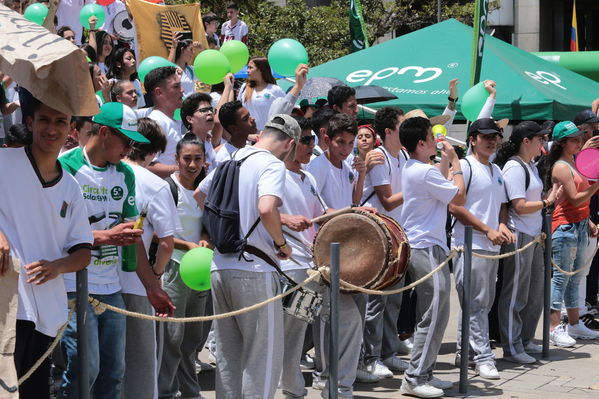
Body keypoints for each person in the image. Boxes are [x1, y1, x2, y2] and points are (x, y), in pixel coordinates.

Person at [57, 102, 173, 399]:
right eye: (126, 140)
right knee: (87, 369)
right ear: (105, 133)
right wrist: (103, 236)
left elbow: (131, 242)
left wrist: (152, 287)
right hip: (72, 287)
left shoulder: (126, 175)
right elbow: (53, 233)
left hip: (111, 290)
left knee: (114, 374)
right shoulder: (65, 167)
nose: (130, 148)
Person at [197, 114, 299, 398]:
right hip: (254, 268)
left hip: (220, 265)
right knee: (262, 357)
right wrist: (281, 243)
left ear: (264, 132)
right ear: (289, 143)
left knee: (229, 354)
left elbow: (198, 194)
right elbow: (267, 208)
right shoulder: (271, 164)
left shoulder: (232, 158)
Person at [0, 97, 93, 399]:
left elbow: (82, 252)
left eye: (60, 122)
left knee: (34, 391)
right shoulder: (4, 162)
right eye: (44, 120)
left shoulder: (71, 188)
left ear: (70, 129)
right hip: (7, 302)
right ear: (29, 123)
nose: (51, 129)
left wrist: (57, 267)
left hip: (46, 309)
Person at [399, 116, 465, 398]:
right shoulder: (422, 172)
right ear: (422, 142)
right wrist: (456, 161)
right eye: (431, 135)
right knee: (434, 312)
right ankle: (414, 377)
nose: (436, 140)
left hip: (429, 245)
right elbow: (458, 197)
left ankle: (424, 372)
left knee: (437, 312)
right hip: (424, 246)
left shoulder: (418, 168)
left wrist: (444, 161)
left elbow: (438, 181)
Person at [307, 113, 370, 396]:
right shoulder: (317, 167)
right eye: (340, 142)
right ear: (326, 139)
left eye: (349, 142)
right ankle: (324, 372)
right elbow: (319, 212)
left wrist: (362, 175)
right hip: (325, 250)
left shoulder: (347, 165)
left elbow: (353, 201)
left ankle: (343, 368)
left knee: (353, 311)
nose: (345, 148)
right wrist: (353, 213)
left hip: (347, 248)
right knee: (328, 316)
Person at [449, 118, 514, 380]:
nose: (492, 140)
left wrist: (500, 225)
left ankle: (465, 351)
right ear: (472, 139)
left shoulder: (496, 170)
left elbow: (501, 205)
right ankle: (483, 357)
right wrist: (486, 229)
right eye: (486, 136)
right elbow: (455, 206)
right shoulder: (464, 166)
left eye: (496, 136)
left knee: (481, 303)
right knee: (476, 302)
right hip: (469, 245)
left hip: (491, 245)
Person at [493, 121, 562, 364]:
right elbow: (519, 206)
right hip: (519, 235)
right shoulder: (514, 167)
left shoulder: (530, 165)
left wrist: (545, 199)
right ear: (526, 141)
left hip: (535, 235)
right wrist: (547, 201)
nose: (543, 142)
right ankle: (511, 346)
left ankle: (524, 340)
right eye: (540, 138)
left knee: (535, 292)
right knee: (516, 293)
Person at [120, 117, 177, 399]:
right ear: (153, 150)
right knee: (141, 364)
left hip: (98, 280)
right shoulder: (155, 184)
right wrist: (155, 275)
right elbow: (167, 243)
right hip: (138, 285)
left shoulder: (107, 173)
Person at [158, 133, 211, 399]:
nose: (192, 165)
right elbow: (157, 233)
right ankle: (166, 391)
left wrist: (204, 240)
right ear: (176, 159)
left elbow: (209, 227)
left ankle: (190, 390)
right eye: (187, 159)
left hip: (199, 269)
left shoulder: (205, 189)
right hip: (174, 268)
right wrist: (186, 246)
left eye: (197, 159)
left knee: (192, 338)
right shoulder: (167, 188)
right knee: (172, 336)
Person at [279, 116, 326, 399]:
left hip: (309, 268)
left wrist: (354, 212)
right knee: (288, 334)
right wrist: (285, 219)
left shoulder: (308, 177)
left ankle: (293, 388)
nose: (311, 146)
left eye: (312, 140)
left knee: (296, 333)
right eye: (306, 140)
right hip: (285, 267)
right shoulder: (274, 173)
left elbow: (322, 214)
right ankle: (293, 390)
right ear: (290, 144)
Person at [360, 107, 408, 379]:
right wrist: (414, 185)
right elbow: (388, 200)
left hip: (398, 236)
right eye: (403, 125)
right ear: (389, 130)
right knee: (376, 302)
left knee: (394, 300)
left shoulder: (402, 155)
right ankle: (371, 357)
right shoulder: (379, 157)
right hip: (378, 238)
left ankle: (389, 353)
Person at [546, 121, 599, 347]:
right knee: (560, 279)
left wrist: (588, 221)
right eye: (574, 139)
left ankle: (575, 324)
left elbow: (580, 201)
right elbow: (576, 198)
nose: (578, 142)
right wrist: (596, 184)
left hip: (578, 225)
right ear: (562, 143)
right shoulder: (561, 166)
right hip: (564, 226)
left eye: (579, 138)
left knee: (575, 278)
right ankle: (553, 327)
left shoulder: (574, 162)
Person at [145, 66, 185, 177]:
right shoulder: (156, 122)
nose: (182, 90)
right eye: (176, 86)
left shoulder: (172, 121)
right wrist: (185, 169)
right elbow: (146, 165)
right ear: (159, 92)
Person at [238, 57, 285, 132]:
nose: (247, 70)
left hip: (269, 136)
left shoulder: (275, 89)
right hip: (248, 137)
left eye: (250, 68)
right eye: (248, 68)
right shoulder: (244, 88)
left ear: (260, 70)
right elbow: (238, 111)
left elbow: (286, 111)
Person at [168, 33, 202, 98]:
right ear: (182, 49)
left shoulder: (192, 69)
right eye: (191, 49)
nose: (193, 53)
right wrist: (174, 47)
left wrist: (202, 50)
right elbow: (167, 69)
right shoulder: (173, 69)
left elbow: (209, 68)